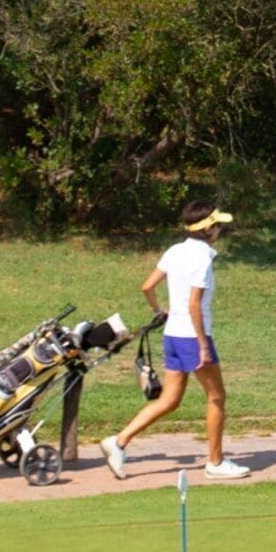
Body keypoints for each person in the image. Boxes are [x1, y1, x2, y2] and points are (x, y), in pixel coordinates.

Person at [104, 205, 241, 480]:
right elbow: (194, 305)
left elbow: (147, 286)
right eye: (217, 226)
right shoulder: (202, 260)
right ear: (208, 229)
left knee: (169, 400)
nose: (219, 231)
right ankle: (215, 463)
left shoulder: (175, 251)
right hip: (192, 337)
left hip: (174, 335)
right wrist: (203, 345)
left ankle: (118, 442)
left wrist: (160, 311)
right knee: (217, 397)